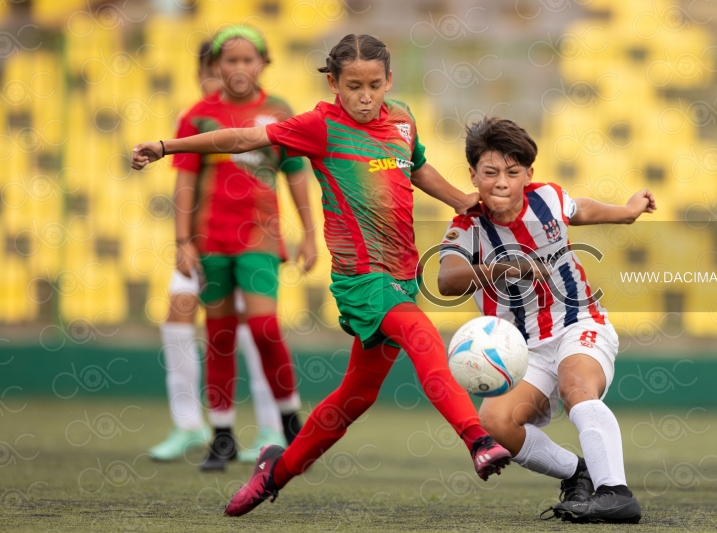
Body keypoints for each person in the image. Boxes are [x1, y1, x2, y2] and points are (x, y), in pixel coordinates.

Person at [131, 34, 512, 515]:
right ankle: (476, 439)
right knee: (422, 337)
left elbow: (416, 167)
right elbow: (245, 137)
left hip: (398, 275)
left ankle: (275, 472)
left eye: (374, 84)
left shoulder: (402, 120)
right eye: (353, 86)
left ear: (389, 80)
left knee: (355, 396)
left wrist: (460, 199)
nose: (365, 96)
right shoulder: (319, 126)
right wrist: (167, 146)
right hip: (361, 279)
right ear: (333, 83)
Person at [437, 117, 653, 524]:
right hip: (522, 348)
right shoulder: (466, 225)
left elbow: (580, 208)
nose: (501, 182)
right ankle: (579, 473)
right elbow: (447, 279)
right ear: (473, 175)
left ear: (528, 175)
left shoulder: (548, 198)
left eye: (512, 172)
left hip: (578, 322)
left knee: (577, 386)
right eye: (490, 172)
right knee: (495, 421)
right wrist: (503, 267)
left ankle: (615, 493)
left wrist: (625, 213)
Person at [162, 26, 317, 471]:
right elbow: (186, 180)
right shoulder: (197, 116)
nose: (239, 68)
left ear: (263, 64)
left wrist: (308, 233)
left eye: (249, 60)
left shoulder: (278, 112)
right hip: (211, 240)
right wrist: (182, 241)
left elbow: (295, 173)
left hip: (261, 237)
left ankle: (289, 420)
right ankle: (223, 435)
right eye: (230, 61)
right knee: (220, 335)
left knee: (265, 325)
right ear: (215, 67)